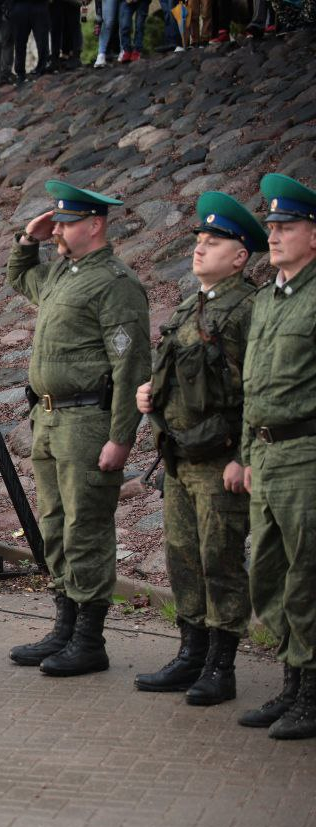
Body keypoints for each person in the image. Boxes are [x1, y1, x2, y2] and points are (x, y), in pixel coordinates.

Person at [5, 181, 150, 677]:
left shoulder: (115, 282)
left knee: (85, 527)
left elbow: (132, 367)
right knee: (54, 525)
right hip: (48, 420)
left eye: (66, 223)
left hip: (88, 422)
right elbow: (20, 279)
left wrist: (121, 438)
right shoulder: (62, 274)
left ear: (95, 225)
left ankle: (89, 639)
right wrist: (29, 240)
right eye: (57, 223)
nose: (58, 230)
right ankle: (64, 626)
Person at [134, 192, 268, 705]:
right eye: (199, 240)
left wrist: (245, 458)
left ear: (239, 257)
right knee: (183, 557)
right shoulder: (194, 304)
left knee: (221, 559)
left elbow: (258, 387)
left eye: (213, 243)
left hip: (221, 460)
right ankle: (191, 652)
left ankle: (221, 664)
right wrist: (152, 394)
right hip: (180, 456)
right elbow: (182, 373)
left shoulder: (248, 308)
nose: (200, 248)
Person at [237, 173, 316, 741]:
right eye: (272, 226)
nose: (275, 234)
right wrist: (243, 454)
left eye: (286, 226)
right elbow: (253, 387)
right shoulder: (266, 300)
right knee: (268, 575)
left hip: (305, 453)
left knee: (307, 578)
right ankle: (291, 684)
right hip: (264, 456)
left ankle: (310, 692)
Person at [10, 0, 51, 81]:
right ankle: (20, 72)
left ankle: (42, 68)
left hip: (39, 6)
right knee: (19, 42)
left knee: (42, 40)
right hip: (20, 6)